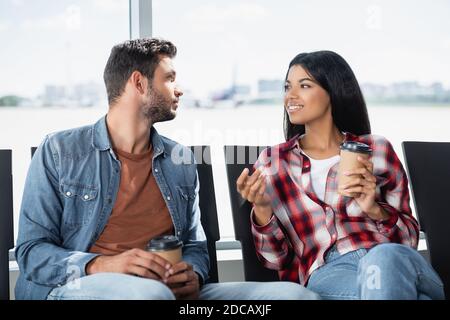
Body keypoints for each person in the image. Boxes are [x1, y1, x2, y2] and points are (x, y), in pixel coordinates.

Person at [14, 38, 318, 300]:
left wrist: (193, 275)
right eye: (169, 78)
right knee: (151, 294)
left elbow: (195, 245)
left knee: (294, 295)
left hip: (166, 293)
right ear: (138, 82)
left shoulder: (178, 160)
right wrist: (102, 265)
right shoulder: (60, 150)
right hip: (77, 289)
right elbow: (31, 252)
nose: (179, 89)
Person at [237, 51, 445, 300]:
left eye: (304, 86)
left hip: (394, 259)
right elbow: (274, 259)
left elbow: (408, 240)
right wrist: (261, 209)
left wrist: (374, 209)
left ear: (332, 91)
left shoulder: (376, 150)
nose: (290, 96)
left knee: (384, 257)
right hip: (329, 272)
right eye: (287, 87)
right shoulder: (273, 163)